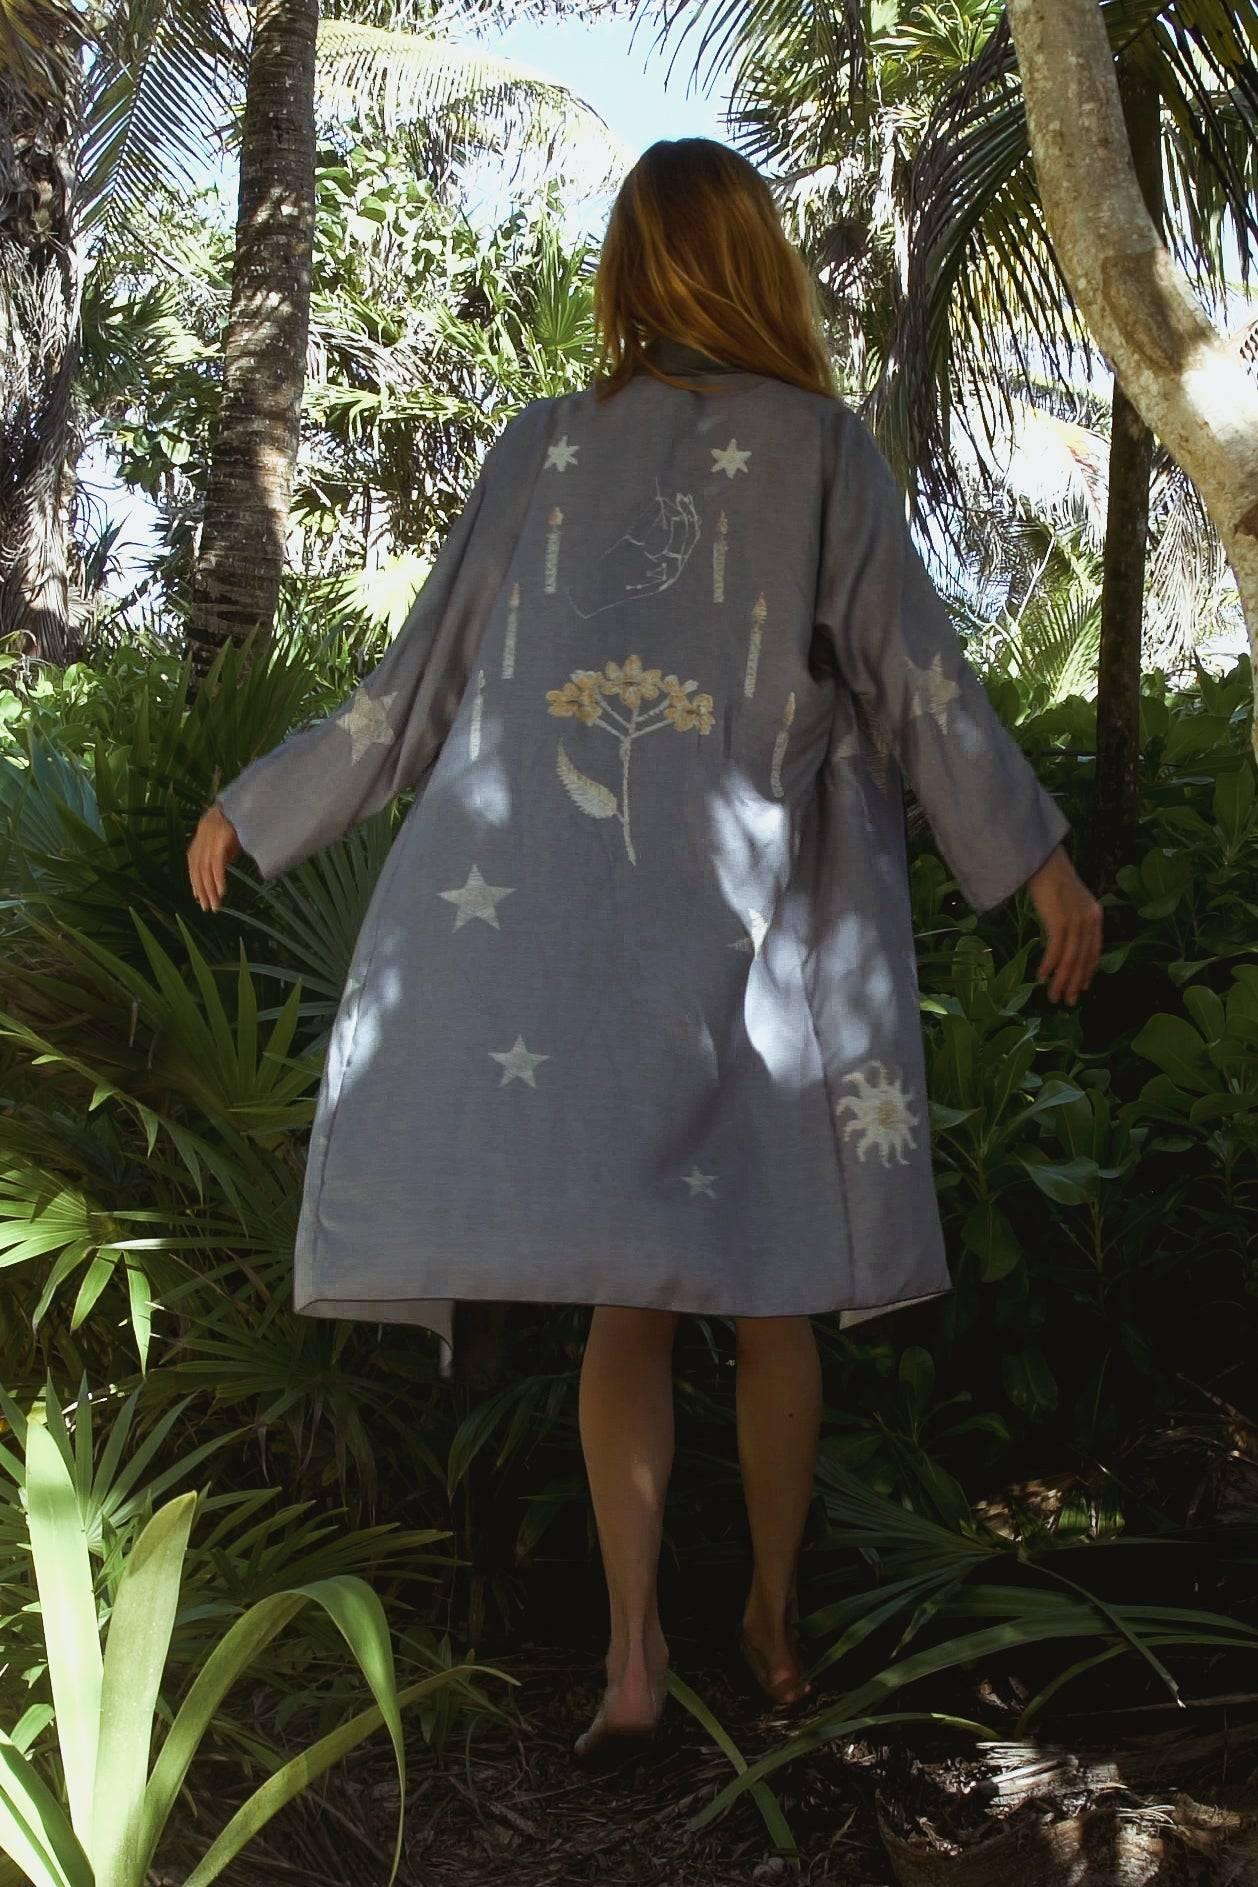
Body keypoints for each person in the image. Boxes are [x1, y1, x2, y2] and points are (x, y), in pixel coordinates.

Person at [187, 137, 1102, 1763]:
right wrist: (1035, 867)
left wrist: (261, 809)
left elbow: (414, 692)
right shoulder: (822, 447)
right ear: (755, 264)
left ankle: (630, 1650)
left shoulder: (542, 449)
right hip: (773, 948)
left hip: (592, 950)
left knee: (632, 1304)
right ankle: (764, 1613)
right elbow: (918, 688)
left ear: (627, 269)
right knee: (768, 1309)